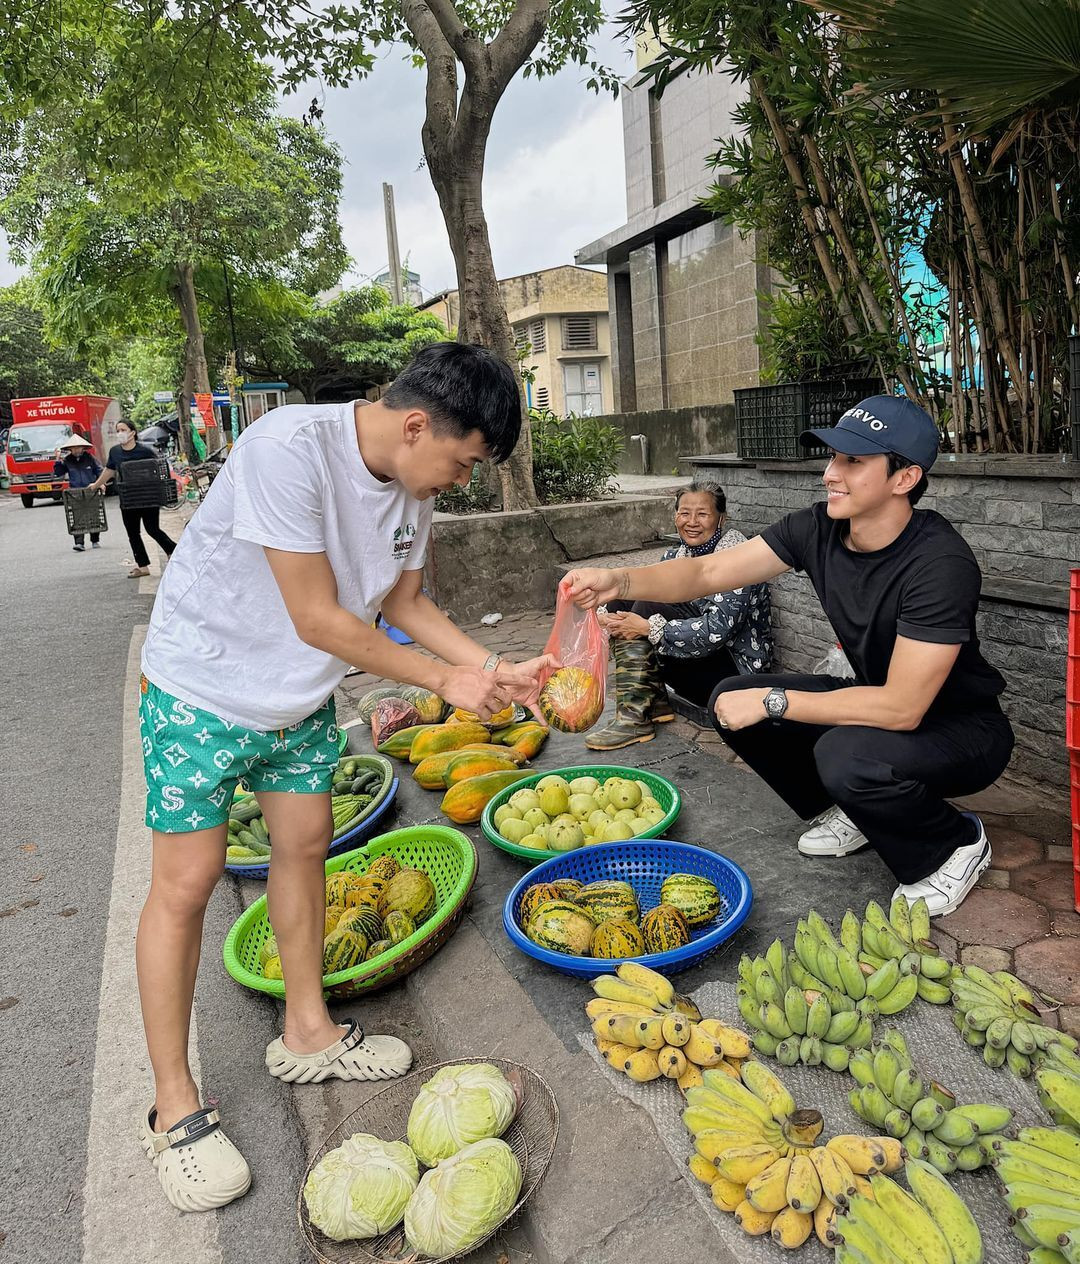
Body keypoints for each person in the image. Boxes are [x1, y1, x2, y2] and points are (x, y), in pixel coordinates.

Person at [133, 343, 554, 1212]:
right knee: (186, 883)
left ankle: (308, 1031)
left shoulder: (412, 490)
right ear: (416, 425)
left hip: (299, 698)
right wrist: (444, 682)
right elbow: (319, 616)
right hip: (202, 689)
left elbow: (404, 603)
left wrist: (490, 665)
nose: (460, 482)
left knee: (304, 847)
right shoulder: (289, 448)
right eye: (464, 462)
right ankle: (174, 1109)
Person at [566, 395, 1013, 920]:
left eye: (853, 461)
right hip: (877, 703)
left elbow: (902, 708)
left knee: (843, 753)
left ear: (905, 478)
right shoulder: (818, 528)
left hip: (961, 730)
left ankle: (953, 843)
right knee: (730, 696)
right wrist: (619, 580)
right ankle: (856, 811)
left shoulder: (939, 562)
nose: (830, 474)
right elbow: (709, 571)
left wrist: (775, 700)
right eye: (833, 457)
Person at [587, 482, 772, 750]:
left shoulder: (740, 562)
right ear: (675, 516)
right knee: (621, 598)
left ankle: (634, 718)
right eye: (684, 513)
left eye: (702, 514)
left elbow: (715, 632)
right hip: (693, 666)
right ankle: (653, 700)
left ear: (721, 518)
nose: (692, 522)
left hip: (733, 679)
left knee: (647, 607)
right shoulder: (676, 555)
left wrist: (648, 628)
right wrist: (608, 617)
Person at [88, 420, 176, 577]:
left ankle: (173, 551)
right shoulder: (115, 452)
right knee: (133, 533)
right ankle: (143, 567)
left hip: (148, 497)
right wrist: (96, 485)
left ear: (132, 433)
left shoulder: (146, 451)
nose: (120, 433)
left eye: (123, 430)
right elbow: (109, 470)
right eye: (118, 430)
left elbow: (160, 470)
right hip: (128, 499)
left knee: (152, 529)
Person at [54, 433, 103, 550]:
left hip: (90, 490)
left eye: (78, 447)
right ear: (70, 449)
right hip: (75, 492)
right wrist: (57, 459)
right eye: (74, 448)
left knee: (94, 515)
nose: (76, 450)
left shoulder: (90, 458)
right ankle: (79, 543)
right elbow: (58, 473)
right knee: (77, 517)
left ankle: (95, 540)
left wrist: (101, 483)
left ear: (82, 448)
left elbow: (99, 471)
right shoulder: (67, 460)